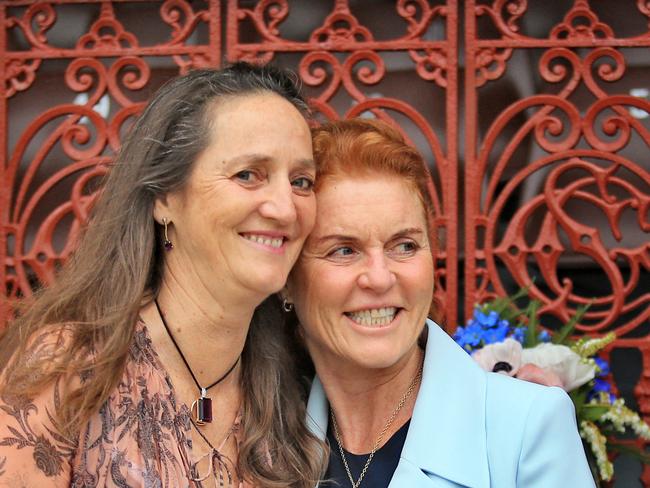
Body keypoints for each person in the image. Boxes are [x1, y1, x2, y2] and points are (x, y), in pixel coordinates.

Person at [0, 63, 325, 487]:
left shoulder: (299, 389)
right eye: (248, 175)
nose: (285, 208)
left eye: (302, 181)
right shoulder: (69, 367)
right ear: (164, 198)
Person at [283, 118, 595, 487]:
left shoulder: (528, 427)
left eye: (405, 246)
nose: (380, 277)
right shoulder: (262, 442)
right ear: (286, 280)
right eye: (344, 250)